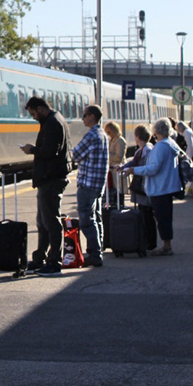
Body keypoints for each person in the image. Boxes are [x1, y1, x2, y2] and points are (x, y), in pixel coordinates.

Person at [20, 96, 73, 276]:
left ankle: (54, 261)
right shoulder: (55, 120)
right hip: (48, 179)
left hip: (52, 179)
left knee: (51, 221)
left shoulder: (52, 123)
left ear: (41, 109)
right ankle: (40, 258)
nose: (34, 117)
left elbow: (50, 151)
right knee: (43, 222)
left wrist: (32, 150)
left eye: (34, 113)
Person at [124, 118, 180, 256]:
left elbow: (153, 168)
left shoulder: (161, 146)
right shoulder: (170, 143)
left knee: (162, 218)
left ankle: (166, 246)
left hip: (160, 187)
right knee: (165, 217)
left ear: (156, 131)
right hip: (166, 186)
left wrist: (134, 170)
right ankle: (166, 244)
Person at [71, 106, 109, 267]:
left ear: (92, 117)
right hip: (99, 183)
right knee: (96, 218)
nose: (82, 118)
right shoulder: (103, 134)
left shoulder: (91, 135)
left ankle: (94, 254)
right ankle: (98, 250)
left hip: (88, 183)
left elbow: (75, 155)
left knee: (86, 219)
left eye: (85, 115)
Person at [123, 124, 158, 251]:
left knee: (147, 215)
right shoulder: (141, 150)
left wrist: (132, 170)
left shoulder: (147, 150)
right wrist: (123, 167)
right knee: (144, 214)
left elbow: (143, 167)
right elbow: (133, 162)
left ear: (137, 137)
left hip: (145, 188)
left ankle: (150, 242)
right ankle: (146, 241)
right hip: (142, 188)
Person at [103, 121, 127, 205]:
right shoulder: (111, 140)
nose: (108, 134)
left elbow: (118, 157)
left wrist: (108, 155)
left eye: (109, 132)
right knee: (113, 194)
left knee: (119, 194)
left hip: (118, 171)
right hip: (111, 171)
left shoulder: (120, 141)